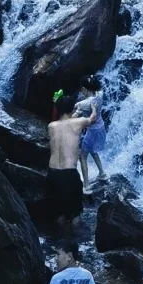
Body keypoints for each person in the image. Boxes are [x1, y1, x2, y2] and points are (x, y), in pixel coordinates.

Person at [47, 92, 98, 230]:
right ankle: (74, 244)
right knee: (75, 215)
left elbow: (65, 121)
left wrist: (74, 113)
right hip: (69, 174)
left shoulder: (51, 126)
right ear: (73, 109)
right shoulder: (78, 122)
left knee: (59, 214)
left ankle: (59, 244)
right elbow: (92, 119)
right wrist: (93, 108)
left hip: (52, 174)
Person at [76, 75, 108, 189]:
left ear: (84, 88)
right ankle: (102, 173)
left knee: (82, 156)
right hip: (101, 128)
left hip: (92, 132)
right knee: (94, 151)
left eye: (81, 89)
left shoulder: (83, 104)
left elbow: (70, 112)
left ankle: (86, 184)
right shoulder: (99, 95)